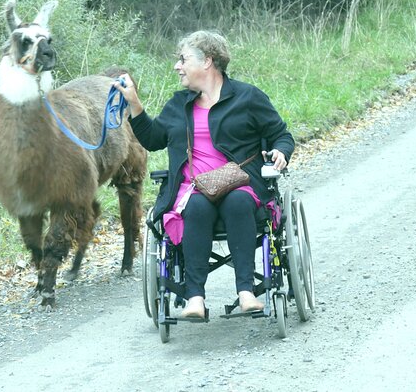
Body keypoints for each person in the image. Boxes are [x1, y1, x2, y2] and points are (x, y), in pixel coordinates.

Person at [114, 30, 294, 319]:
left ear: (207, 61)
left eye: (183, 59)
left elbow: (280, 135)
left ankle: (246, 292)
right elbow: (153, 138)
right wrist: (134, 103)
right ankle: (194, 297)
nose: (177, 66)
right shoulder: (179, 105)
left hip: (240, 184)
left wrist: (281, 152)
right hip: (193, 188)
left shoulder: (247, 97)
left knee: (237, 202)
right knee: (196, 207)